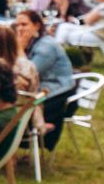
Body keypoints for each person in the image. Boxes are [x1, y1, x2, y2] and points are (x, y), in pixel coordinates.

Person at [13, 10, 75, 150]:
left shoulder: (46, 46)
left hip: (56, 94)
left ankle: (15, 145)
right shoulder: (32, 43)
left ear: (37, 26)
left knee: (15, 106)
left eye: (24, 24)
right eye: (17, 25)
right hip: (40, 90)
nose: (20, 29)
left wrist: (19, 49)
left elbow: (29, 74)